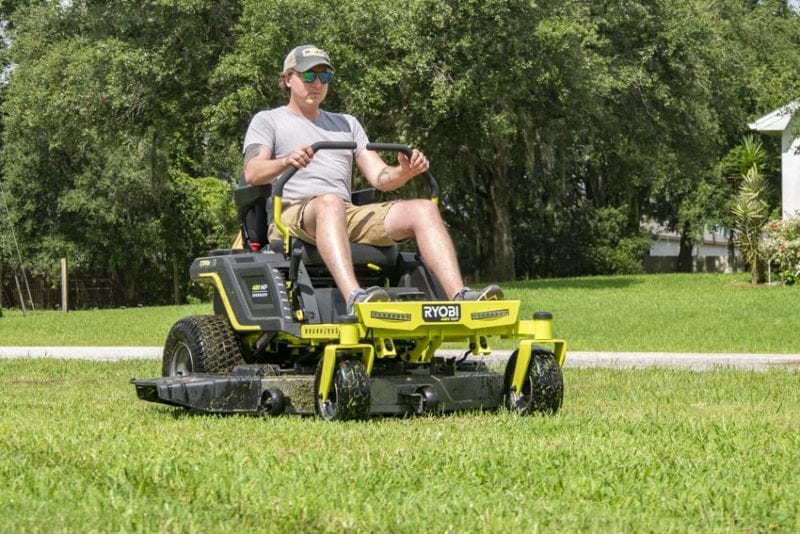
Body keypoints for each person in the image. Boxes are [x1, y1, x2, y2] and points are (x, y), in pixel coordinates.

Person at [242, 44, 503, 313]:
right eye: (308, 76)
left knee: (423, 209)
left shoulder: (347, 124)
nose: (317, 83)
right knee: (329, 203)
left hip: (342, 213)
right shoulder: (269, 120)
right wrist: (285, 161)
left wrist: (405, 171)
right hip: (292, 213)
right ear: (288, 79)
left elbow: (380, 177)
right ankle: (355, 297)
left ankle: (460, 297)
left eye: (325, 77)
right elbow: (252, 172)